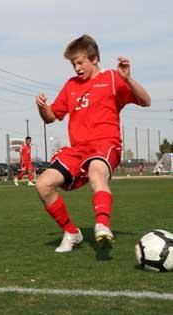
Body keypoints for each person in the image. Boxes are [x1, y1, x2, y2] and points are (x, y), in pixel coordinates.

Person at [35, 35, 151, 253]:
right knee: (43, 184)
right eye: (73, 64)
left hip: (105, 144)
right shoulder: (70, 85)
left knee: (96, 173)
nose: (77, 68)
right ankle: (71, 233)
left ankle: (102, 225)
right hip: (77, 150)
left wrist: (128, 79)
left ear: (95, 58)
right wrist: (42, 107)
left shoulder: (113, 78)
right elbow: (50, 117)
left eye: (80, 62)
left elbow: (146, 101)